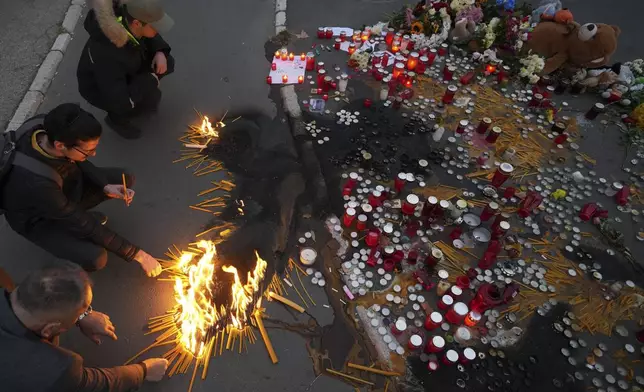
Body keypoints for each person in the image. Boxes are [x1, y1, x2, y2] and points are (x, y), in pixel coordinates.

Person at [0, 103, 161, 277]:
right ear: (60, 145)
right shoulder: (37, 183)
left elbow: (78, 160)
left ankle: (75, 226)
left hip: (62, 193)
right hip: (38, 219)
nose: (94, 154)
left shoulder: (44, 126)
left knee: (124, 177)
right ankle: (67, 263)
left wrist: (104, 185)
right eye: (88, 151)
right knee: (96, 258)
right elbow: (80, 220)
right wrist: (137, 254)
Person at [0, 262, 169, 391]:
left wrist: (80, 315)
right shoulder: (52, 367)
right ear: (49, 329)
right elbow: (96, 382)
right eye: (83, 309)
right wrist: (143, 371)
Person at [77, 0, 175, 139]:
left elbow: (149, 34)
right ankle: (117, 120)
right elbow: (119, 98)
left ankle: (144, 95)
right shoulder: (107, 54)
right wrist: (150, 80)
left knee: (167, 63)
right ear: (136, 23)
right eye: (155, 27)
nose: (158, 30)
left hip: (127, 66)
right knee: (129, 105)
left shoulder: (128, 19)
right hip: (102, 90)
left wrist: (160, 51)